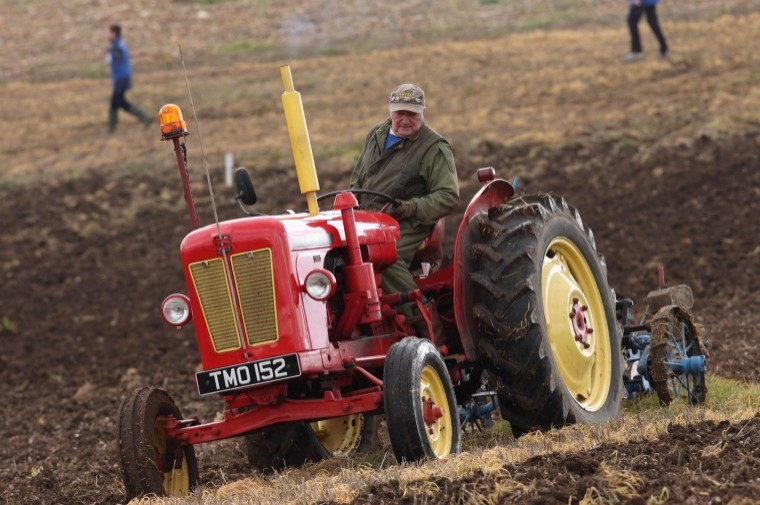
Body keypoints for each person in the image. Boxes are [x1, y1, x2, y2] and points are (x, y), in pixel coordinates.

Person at [350, 83, 459, 345]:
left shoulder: (434, 148)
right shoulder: (375, 134)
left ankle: (424, 321)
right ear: (391, 111)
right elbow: (358, 177)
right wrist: (351, 202)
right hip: (367, 219)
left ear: (423, 112)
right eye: (400, 113)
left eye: (412, 114)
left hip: (408, 222)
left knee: (383, 255)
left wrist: (411, 208)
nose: (405, 120)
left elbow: (448, 196)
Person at [106, 24, 151, 133]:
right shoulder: (119, 44)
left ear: (114, 33)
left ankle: (144, 117)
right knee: (115, 102)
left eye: (108, 33)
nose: (106, 35)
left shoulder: (116, 47)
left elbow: (115, 61)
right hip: (123, 77)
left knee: (119, 102)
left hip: (121, 78)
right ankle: (112, 127)